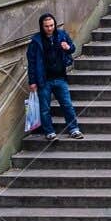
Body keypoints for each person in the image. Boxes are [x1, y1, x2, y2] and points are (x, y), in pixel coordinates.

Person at [27, 12, 83, 141]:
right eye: (46, 26)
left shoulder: (62, 35)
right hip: (44, 80)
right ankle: (49, 132)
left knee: (67, 105)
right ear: (42, 26)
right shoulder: (36, 41)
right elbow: (31, 62)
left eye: (51, 25)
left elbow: (72, 48)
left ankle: (74, 129)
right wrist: (32, 81)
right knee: (45, 108)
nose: (50, 28)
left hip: (60, 78)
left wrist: (68, 47)